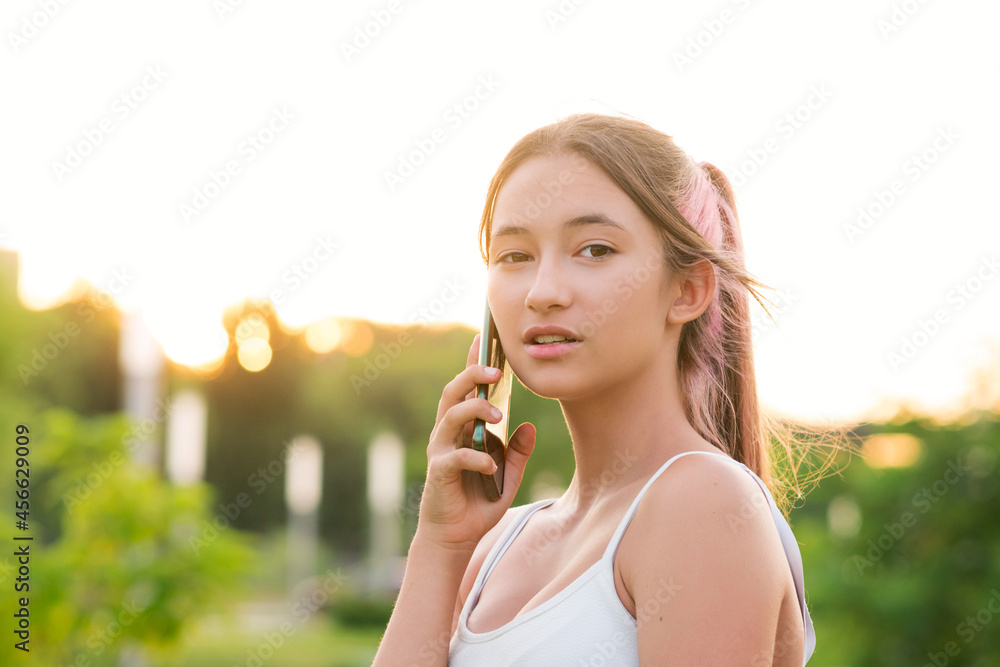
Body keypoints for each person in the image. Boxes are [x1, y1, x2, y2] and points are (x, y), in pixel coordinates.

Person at [373, 113, 827, 666]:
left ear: (687, 290)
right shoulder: (499, 542)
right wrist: (440, 544)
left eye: (594, 250)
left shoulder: (702, 503)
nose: (543, 292)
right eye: (515, 255)